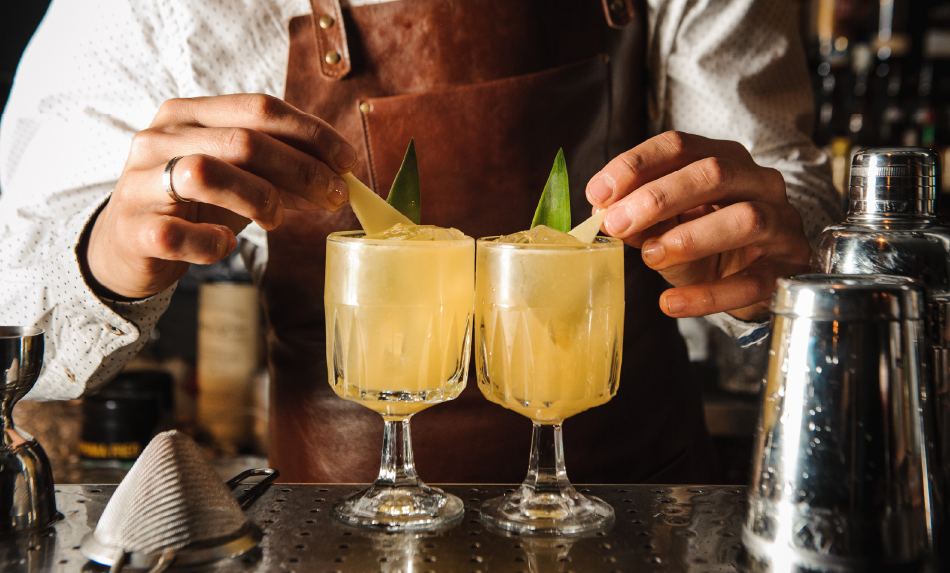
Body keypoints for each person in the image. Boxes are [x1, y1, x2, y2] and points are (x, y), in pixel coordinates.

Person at [0, 0, 839, 483]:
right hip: (337, 526)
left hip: (639, 506)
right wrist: (106, 258)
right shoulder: (151, 12)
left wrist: (776, 264)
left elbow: (791, 201)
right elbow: (15, 306)